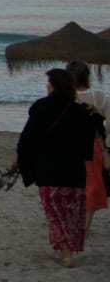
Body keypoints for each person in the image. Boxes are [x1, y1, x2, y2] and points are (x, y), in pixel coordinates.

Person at [15, 68, 97, 268]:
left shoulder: (41, 107)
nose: (47, 86)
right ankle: (68, 250)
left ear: (53, 86)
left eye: (49, 83)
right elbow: (87, 148)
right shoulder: (81, 111)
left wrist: (21, 160)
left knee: (55, 214)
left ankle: (65, 253)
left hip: (48, 170)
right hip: (74, 172)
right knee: (73, 213)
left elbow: (28, 139)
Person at [65, 60, 109, 239]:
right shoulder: (98, 96)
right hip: (92, 146)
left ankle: (72, 223)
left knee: (70, 185)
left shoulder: (65, 96)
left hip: (68, 146)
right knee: (91, 186)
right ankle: (85, 228)